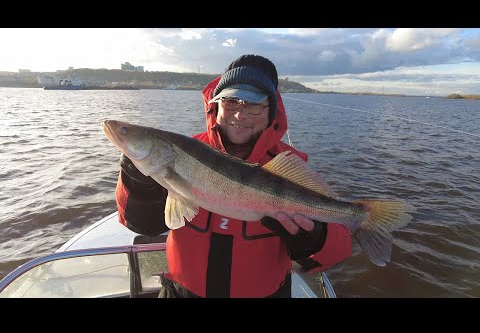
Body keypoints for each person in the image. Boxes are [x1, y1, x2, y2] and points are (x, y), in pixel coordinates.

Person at [115, 54, 352, 298]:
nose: (240, 116)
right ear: (216, 104)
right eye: (231, 102)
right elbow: (142, 226)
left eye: (254, 104)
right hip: (182, 292)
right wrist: (138, 187)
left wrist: (318, 240)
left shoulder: (288, 164)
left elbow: (338, 251)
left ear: (271, 110)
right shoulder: (181, 154)